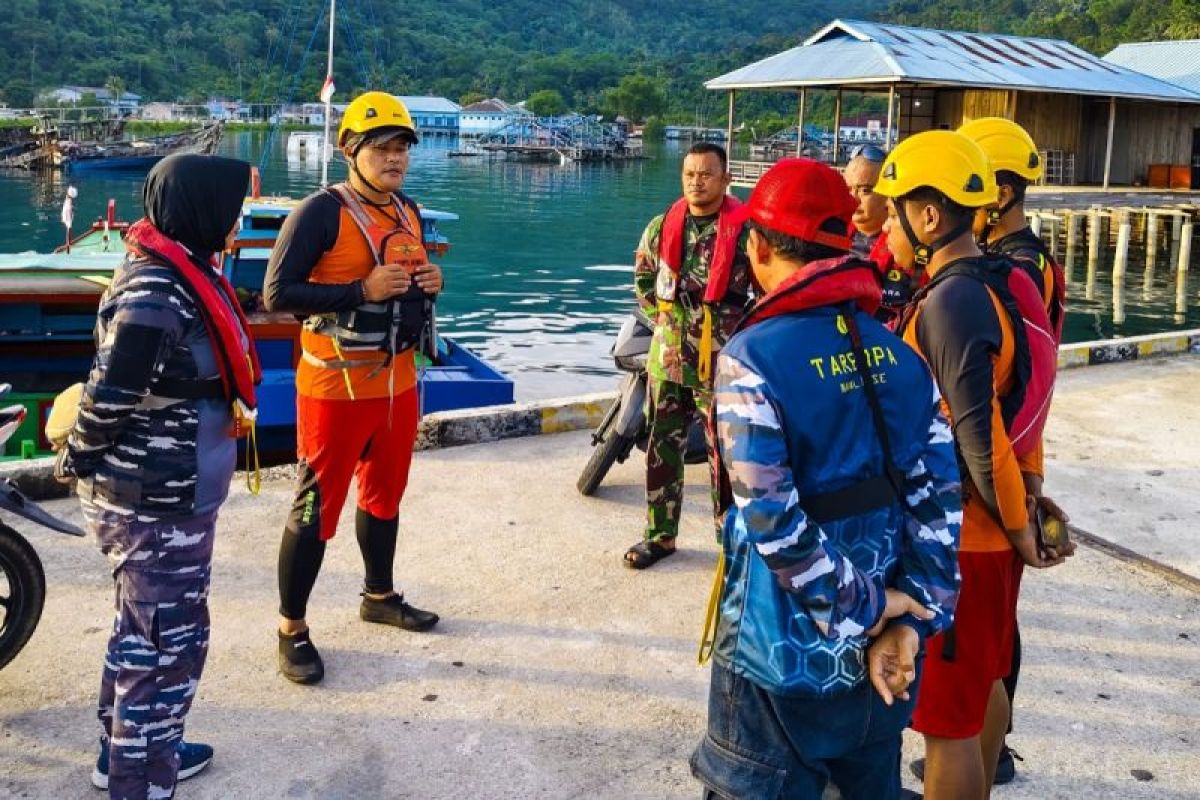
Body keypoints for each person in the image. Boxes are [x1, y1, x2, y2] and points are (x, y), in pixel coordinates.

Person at [689, 158, 961, 800]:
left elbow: (773, 522)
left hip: (776, 655)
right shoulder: (902, 357)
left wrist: (865, 611)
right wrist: (907, 620)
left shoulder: (750, 360)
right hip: (882, 664)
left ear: (756, 248)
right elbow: (941, 507)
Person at [874, 131, 1073, 800]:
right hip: (994, 537)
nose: (883, 220)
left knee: (946, 726)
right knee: (985, 685)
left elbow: (978, 432)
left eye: (893, 203)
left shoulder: (951, 301)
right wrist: (1032, 497)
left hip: (964, 539)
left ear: (928, 216)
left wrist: (1019, 525)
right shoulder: (1006, 277)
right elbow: (1030, 399)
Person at [54, 154, 259, 798]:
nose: (239, 219)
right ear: (200, 209)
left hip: (175, 493)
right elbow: (106, 398)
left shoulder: (185, 271)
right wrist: (76, 460)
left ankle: (125, 753)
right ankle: (140, 777)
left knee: (142, 631)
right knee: (165, 648)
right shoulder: (154, 292)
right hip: (153, 502)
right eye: (232, 208)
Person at [264, 91, 444, 684]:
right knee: (315, 508)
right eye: (382, 149)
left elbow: (408, 286)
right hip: (333, 388)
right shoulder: (318, 212)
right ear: (350, 150)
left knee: (386, 495)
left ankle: (379, 595)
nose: (395, 159)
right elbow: (278, 295)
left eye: (402, 149)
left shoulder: (409, 210)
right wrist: (360, 292)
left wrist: (429, 281)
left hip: (396, 384)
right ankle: (292, 628)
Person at [938, 115, 1070, 788]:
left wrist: (1018, 512)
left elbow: (991, 407)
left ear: (1000, 193)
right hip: (1016, 470)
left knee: (984, 651)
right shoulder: (1030, 263)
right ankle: (988, 754)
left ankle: (988, 756)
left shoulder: (1000, 275)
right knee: (993, 641)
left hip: (991, 488)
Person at [626, 142, 752, 569]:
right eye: (689, 174)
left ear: (725, 179)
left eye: (706, 174)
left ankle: (730, 540)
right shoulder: (663, 226)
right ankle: (659, 536)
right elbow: (643, 278)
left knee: (726, 454)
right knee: (661, 447)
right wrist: (663, 321)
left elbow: (765, 289)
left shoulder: (747, 232)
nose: (696, 181)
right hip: (668, 357)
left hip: (722, 360)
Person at [960, 117, 1066, 343]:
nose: (959, 206)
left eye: (969, 192)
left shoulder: (1024, 266)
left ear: (1001, 195)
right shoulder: (1001, 253)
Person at [843, 143, 913, 325]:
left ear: (888, 193)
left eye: (865, 190)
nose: (853, 198)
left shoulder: (910, 245)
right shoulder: (830, 238)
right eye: (848, 189)